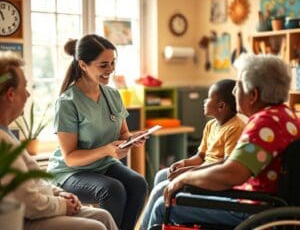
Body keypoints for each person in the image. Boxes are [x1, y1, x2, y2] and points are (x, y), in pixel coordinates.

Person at [148, 53, 300, 228]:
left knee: (163, 206)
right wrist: (189, 174)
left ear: (253, 94)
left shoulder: (265, 124)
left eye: (238, 86)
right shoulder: (286, 115)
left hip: (253, 209)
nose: (234, 92)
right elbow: (231, 165)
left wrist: (186, 178)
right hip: (268, 204)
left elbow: (231, 174)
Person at [0, 51, 118, 230]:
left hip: (40, 206)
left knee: (103, 216)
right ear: (10, 94)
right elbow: (30, 204)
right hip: (24, 220)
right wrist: (62, 205)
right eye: (24, 87)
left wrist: (59, 193)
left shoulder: (7, 134)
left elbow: (34, 183)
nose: (28, 94)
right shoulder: (4, 145)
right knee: (97, 226)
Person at [46, 34, 148, 230]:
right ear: (83, 65)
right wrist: (106, 150)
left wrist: (132, 139)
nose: (110, 70)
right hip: (71, 172)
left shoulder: (112, 94)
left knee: (138, 184)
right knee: (113, 190)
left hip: (103, 165)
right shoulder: (68, 103)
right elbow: (70, 158)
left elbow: (123, 133)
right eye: (103, 65)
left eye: (112, 63)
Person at [139, 79, 245, 229]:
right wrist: (184, 163)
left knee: (159, 190)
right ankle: (159, 224)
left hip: (213, 177)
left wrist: (190, 171)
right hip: (204, 171)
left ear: (221, 106)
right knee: (161, 175)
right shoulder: (211, 125)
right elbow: (201, 157)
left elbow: (226, 164)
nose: (204, 101)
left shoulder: (235, 128)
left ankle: (148, 225)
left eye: (208, 98)